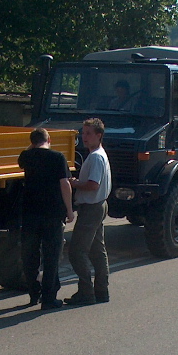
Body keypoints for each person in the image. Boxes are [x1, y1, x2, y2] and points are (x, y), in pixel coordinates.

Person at [18, 128, 74, 310]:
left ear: (32, 141)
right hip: (52, 214)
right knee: (51, 256)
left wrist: (33, 144)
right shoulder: (58, 157)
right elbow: (65, 184)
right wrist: (70, 210)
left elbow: (26, 153)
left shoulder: (26, 157)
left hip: (30, 214)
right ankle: (49, 298)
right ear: (49, 139)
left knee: (30, 255)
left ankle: (34, 293)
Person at [66, 118, 112, 305]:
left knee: (77, 251)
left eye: (88, 134)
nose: (84, 137)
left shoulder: (95, 157)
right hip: (98, 204)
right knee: (96, 250)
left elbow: (93, 185)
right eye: (83, 133)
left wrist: (75, 183)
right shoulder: (98, 154)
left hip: (92, 207)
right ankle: (101, 290)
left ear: (99, 135)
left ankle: (86, 292)